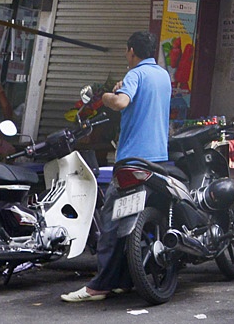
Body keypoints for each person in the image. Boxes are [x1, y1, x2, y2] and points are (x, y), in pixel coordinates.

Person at [62, 31, 171, 304]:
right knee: (139, 222)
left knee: (111, 223)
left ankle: (100, 286)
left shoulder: (135, 74)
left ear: (132, 51)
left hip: (132, 160)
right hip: (157, 160)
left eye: (126, 51)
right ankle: (125, 281)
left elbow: (122, 102)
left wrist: (109, 96)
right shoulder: (163, 76)